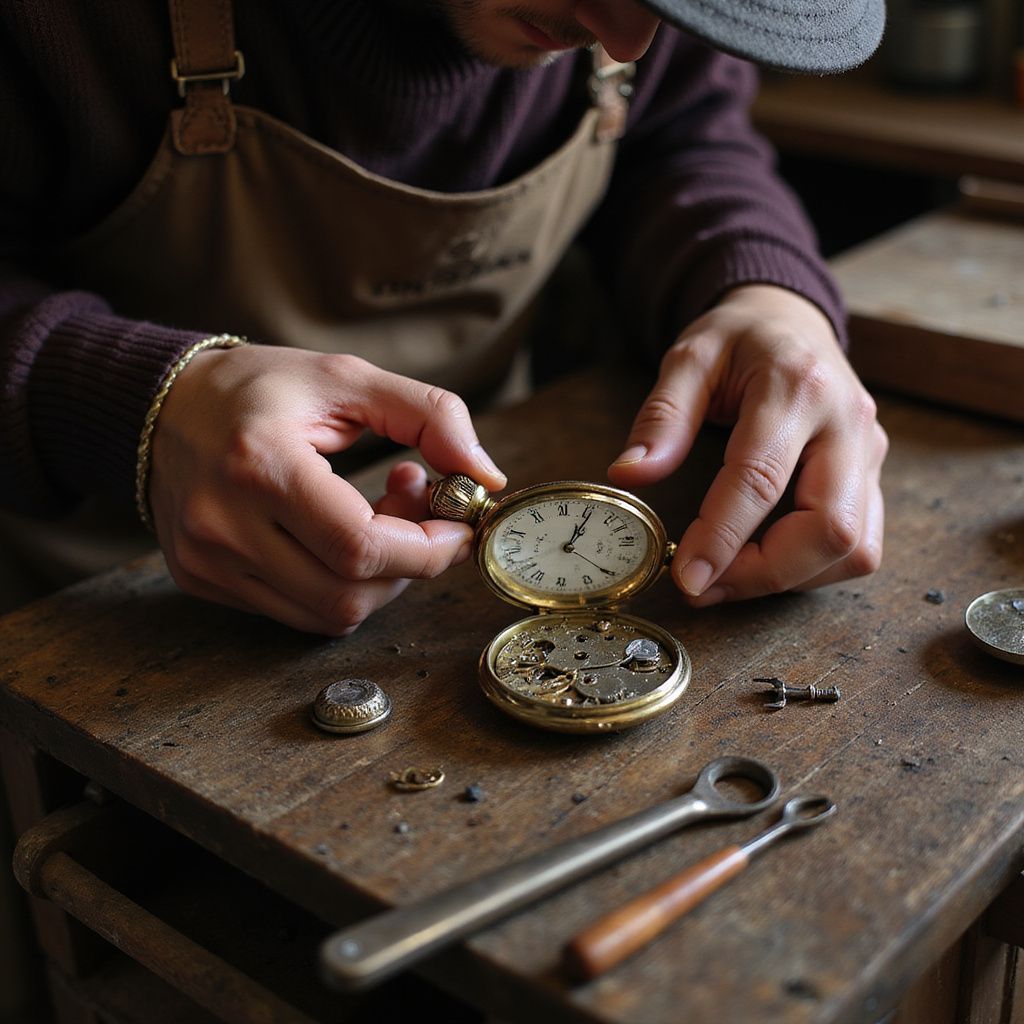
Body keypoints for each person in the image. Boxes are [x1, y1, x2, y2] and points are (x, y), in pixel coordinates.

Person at [0, 0, 889, 635]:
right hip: (85, 603)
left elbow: (686, 134)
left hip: (443, 592)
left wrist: (765, 294)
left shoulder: (632, 23)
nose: (628, 36)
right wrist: (137, 406)